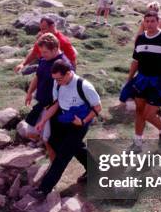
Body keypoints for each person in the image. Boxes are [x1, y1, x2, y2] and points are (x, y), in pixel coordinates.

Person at [29, 60, 102, 199]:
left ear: (69, 73)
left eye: (59, 79)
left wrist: (83, 121)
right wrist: (43, 121)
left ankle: (44, 189)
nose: (57, 82)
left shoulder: (84, 86)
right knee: (66, 145)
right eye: (55, 79)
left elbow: (98, 108)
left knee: (63, 155)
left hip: (79, 124)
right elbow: (56, 104)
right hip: (64, 119)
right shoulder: (58, 83)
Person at [121, 12, 161, 151]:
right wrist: (129, 79)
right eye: (146, 21)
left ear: (158, 21)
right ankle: (138, 141)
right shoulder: (140, 38)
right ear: (143, 23)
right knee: (140, 111)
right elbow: (135, 61)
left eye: (152, 21)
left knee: (148, 114)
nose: (149, 24)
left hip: (159, 80)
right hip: (141, 79)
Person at [23, 33, 72, 159]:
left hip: (54, 108)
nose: (42, 55)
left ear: (55, 49)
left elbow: (66, 91)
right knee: (31, 133)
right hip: (41, 103)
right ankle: (46, 145)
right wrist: (29, 93)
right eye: (41, 52)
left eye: (45, 52)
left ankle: (53, 165)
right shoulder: (44, 60)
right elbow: (38, 76)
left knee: (49, 140)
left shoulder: (63, 65)